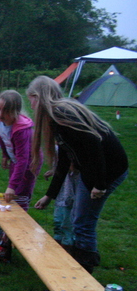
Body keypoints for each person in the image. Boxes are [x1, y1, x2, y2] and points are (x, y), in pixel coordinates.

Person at [28, 75, 128, 273]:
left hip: (110, 169)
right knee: (79, 218)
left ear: (36, 97)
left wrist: (99, 184)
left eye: (30, 99)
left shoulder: (62, 113)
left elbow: (93, 144)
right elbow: (66, 158)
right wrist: (50, 195)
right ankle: (80, 262)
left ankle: (84, 271)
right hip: (93, 170)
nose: (30, 105)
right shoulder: (57, 116)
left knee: (83, 221)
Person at [0, 90, 39, 210]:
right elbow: (1, 137)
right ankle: (10, 219)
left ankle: (21, 222)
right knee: (13, 193)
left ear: (15, 111)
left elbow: (23, 160)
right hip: (16, 159)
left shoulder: (21, 130)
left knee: (20, 194)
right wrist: (5, 155)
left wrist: (12, 186)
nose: (0, 113)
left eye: (6, 111)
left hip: (30, 163)